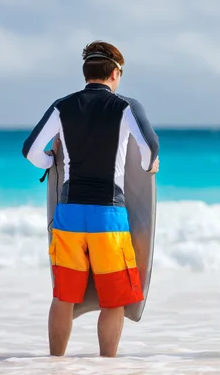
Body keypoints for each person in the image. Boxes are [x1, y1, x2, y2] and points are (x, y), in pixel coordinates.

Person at [21, 40, 160, 358]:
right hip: (107, 216)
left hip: (68, 213)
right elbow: (150, 149)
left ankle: (55, 363)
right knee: (114, 300)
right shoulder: (126, 107)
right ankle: (106, 365)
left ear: (87, 72)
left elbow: (30, 150)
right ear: (114, 73)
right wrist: (147, 165)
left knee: (64, 297)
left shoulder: (62, 106)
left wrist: (49, 161)